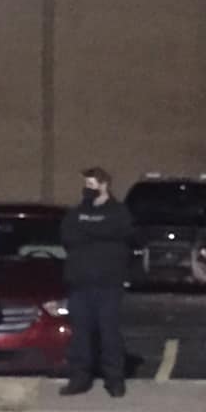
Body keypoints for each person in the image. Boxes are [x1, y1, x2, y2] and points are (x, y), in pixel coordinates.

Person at [58, 167, 133, 397]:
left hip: (109, 284)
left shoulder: (118, 212)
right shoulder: (76, 213)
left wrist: (90, 231)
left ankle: (114, 381)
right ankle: (80, 379)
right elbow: (67, 235)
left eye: (91, 184)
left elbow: (121, 232)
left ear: (104, 185)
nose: (86, 189)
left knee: (109, 333)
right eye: (85, 184)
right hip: (80, 283)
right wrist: (98, 233)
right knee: (80, 334)